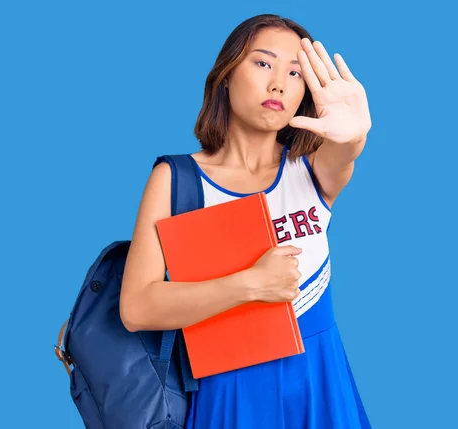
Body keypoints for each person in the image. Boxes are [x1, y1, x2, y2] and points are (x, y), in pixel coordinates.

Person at [119, 13, 372, 429]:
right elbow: (136, 307)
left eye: (295, 72)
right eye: (262, 63)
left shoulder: (313, 170)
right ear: (226, 74)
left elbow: (344, 154)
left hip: (320, 381)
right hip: (230, 388)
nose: (278, 83)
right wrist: (251, 285)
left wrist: (356, 134)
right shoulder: (177, 179)